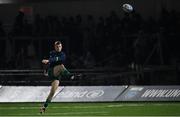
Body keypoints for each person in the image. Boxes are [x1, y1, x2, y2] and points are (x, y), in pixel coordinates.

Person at [40, 41, 75, 114]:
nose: (58, 48)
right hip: (52, 71)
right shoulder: (52, 53)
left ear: (61, 47)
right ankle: (70, 75)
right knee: (61, 66)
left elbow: (58, 59)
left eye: (59, 46)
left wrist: (48, 60)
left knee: (52, 92)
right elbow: (52, 61)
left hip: (57, 76)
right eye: (57, 46)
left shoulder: (63, 54)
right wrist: (48, 64)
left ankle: (44, 107)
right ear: (54, 47)